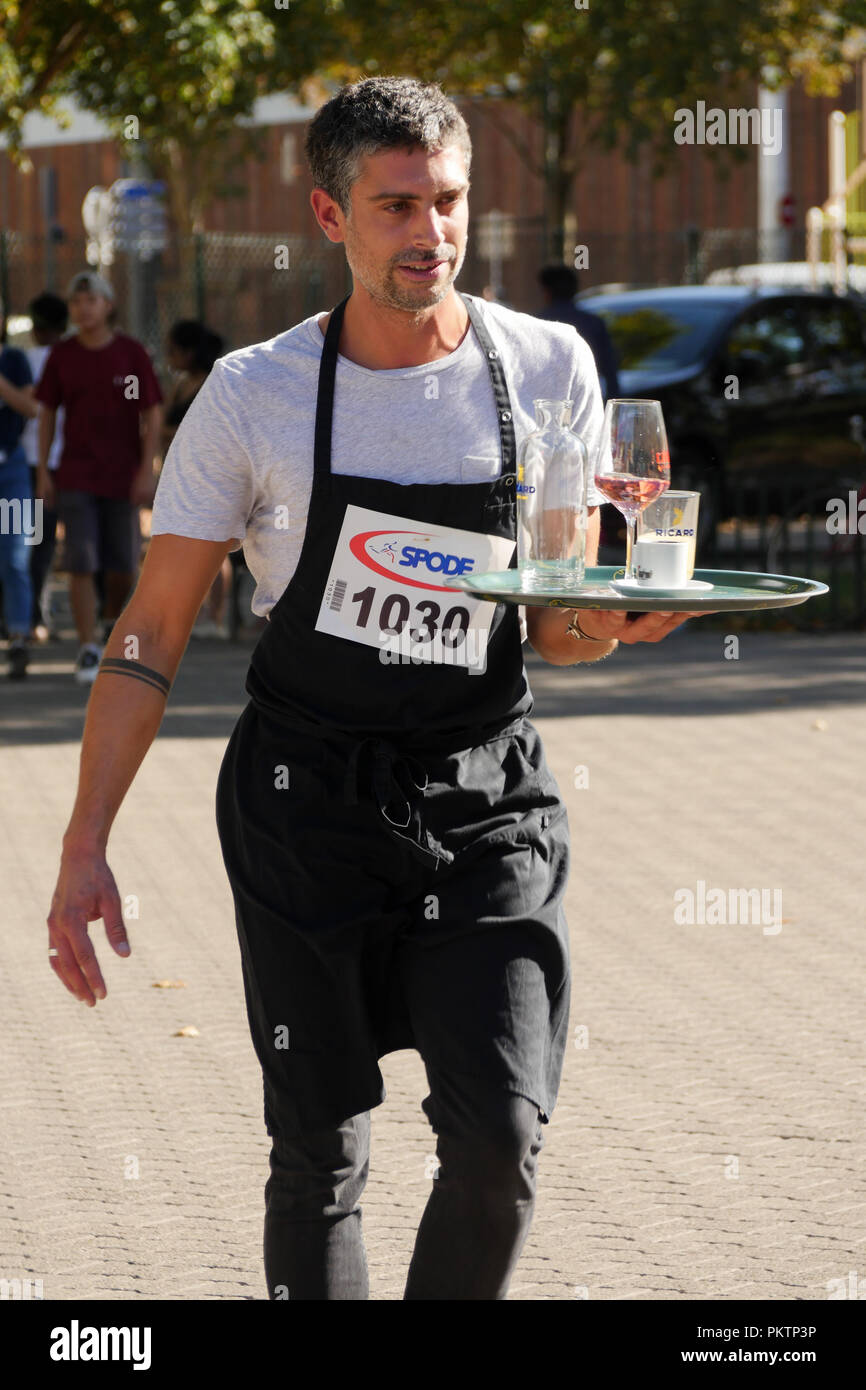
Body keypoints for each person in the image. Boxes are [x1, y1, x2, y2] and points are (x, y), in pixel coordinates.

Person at [44, 77, 698, 1300]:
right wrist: (85, 841)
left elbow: (555, 629)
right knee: (317, 1154)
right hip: (308, 803)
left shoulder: (546, 367)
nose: (430, 232)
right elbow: (148, 635)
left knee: (499, 1138)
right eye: (396, 205)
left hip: (485, 796)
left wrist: (612, 622)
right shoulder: (253, 395)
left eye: (447, 201)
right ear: (329, 216)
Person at [33, 271, 163, 683]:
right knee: (81, 560)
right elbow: (47, 414)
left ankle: (111, 624)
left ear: (108, 305)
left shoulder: (131, 354)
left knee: (123, 562)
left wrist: (147, 469)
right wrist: (43, 471)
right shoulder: (63, 356)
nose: (82, 309)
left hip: (123, 477)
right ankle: (88, 646)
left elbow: (152, 412)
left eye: (90, 301)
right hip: (75, 475)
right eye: (76, 302)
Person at [159, 320, 232, 637]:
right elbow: (163, 421)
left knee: (214, 546)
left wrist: (165, 432)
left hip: (209, 473)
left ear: (189, 352)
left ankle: (215, 616)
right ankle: (194, 612)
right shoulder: (180, 385)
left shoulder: (212, 382)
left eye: (173, 351)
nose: (168, 357)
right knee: (185, 545)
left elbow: (204, 430)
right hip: (178, 473)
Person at [22, 292, 69, 642]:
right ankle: (38, 613)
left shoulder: (22, 359)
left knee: (23, 540)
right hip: (60, 463)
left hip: (25, 464)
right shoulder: (72, 358)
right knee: (45, 543)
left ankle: (26, 613)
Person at [0, 298, 37, 678]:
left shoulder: (14, 360)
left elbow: (32, 408)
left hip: (11, 470)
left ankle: (19, 638)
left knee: (15, 556)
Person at [536, 264, 621, 402]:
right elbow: (610, 370)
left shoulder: (537, 323)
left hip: (546, 403)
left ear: (546, 291)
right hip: (587, 396)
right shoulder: (594, 323)